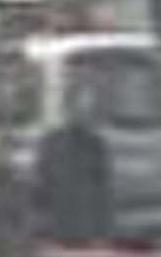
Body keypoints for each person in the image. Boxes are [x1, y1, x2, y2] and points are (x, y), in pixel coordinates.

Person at [33, 105, 115, 248]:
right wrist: (40, 230)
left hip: (86, 229)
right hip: (57, 228)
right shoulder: (50, 142)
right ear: (65, 112)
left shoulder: (96, 144)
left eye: (84, 110)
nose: (79, 114)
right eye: (74, 109)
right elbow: (40, 187)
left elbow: (104, 192)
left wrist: (103, 233)